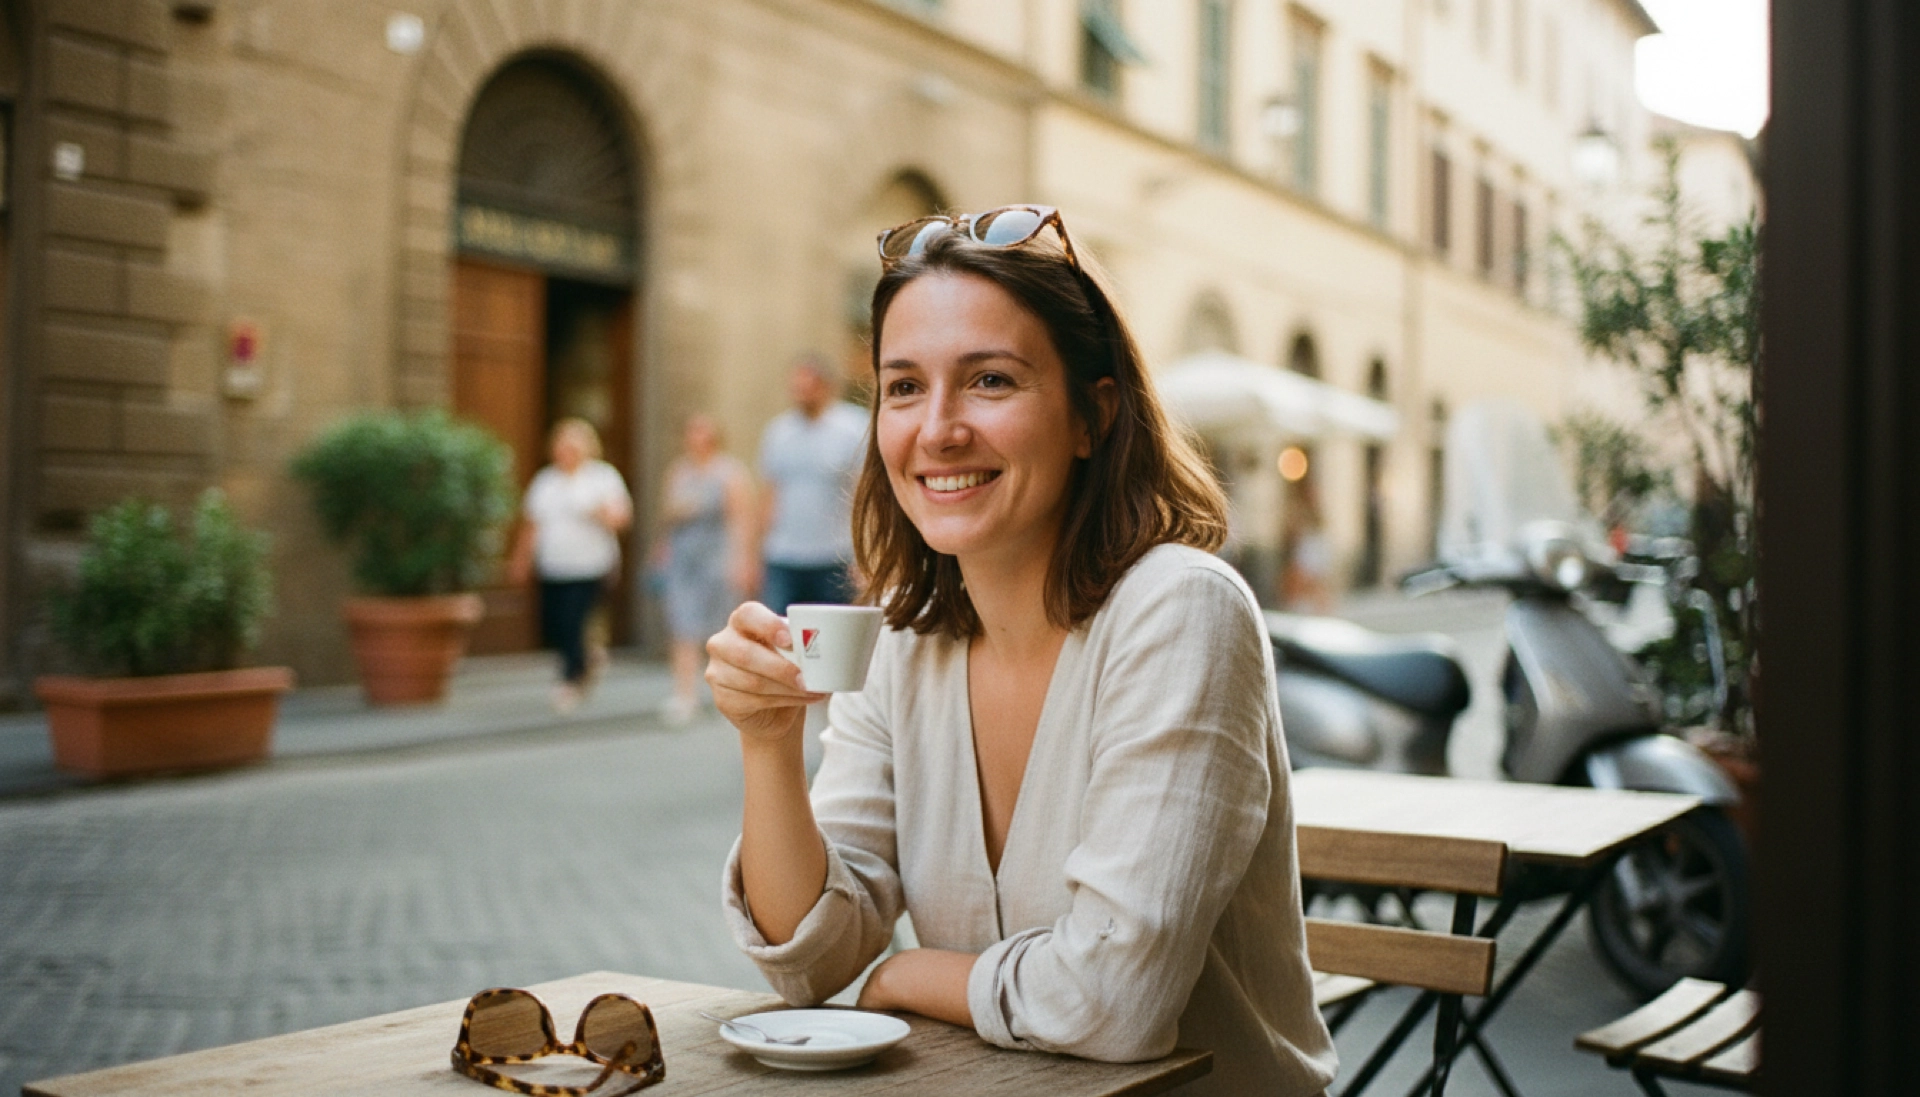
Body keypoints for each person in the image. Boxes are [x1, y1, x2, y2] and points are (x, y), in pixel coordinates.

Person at [705, 206, 1337, 1095]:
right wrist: (767, 740)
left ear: (1093, 415)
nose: (938, 429)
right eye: (903, 387)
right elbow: (813, 959)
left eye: (991, 380)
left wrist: (905, 976)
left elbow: (1114, 1000)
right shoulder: (901, 640)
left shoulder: (1180, 612)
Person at [509, 418, 632, 713]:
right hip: (554, 565)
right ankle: (585, 661)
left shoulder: (601, 478)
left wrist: (598, 512)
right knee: (557, 622)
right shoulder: (547, 481)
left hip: (590, 564)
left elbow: (621, 518)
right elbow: (532, 525)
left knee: (575, 620)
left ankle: (570, 679)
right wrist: (520, 559)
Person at [658, 413, 755, 724]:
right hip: (683, 560)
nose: (695, 438)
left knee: (718, 627)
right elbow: (666, 513)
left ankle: (724, 690)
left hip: (716, 560)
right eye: (691, 432)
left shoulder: (729, 473)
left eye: (701, 432)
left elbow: (740, 520)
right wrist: (661, 548)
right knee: (682, 625)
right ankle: (685, 695)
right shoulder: (679, 471)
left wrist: (742, 560)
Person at [755, 355, 868, 612]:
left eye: (807, 386)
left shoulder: (853, 427)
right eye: (796, 388)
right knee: (782, 638)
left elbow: (863, 495)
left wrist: (863, 555)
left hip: (835, 557)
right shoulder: (778, 432)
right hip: (783, 556)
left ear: (825, 386)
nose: (801, 394)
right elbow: (769, 495)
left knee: (835, 643)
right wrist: (756, 555)